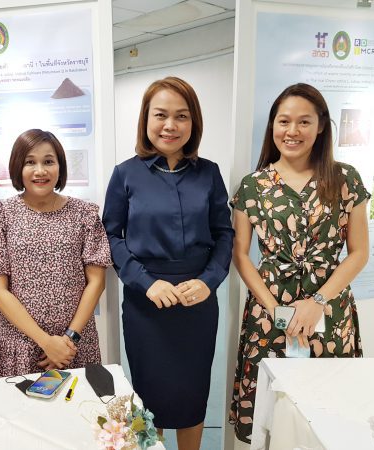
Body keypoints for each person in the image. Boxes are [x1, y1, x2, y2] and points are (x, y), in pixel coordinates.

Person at [229, 83, 370, 444]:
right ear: (272, 125)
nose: (292, 131)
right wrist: (276, 310)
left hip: (329, 311)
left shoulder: (345, 179)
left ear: (321, 126)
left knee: (330, 415)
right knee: (271, 417)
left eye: (304, 122)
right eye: (284, 121)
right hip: (268, 312)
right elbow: (240, 254)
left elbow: (358, 252)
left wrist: (317, 302)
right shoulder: (253, 185)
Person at [102, 77, 234, 450]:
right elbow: (111, 237)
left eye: (181, 116)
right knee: (149, 399)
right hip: (146, 304)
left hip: (197, 301)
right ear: (146, 119)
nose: (170, 125)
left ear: (194, 123)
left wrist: (208, 281)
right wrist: (146, 283)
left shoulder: (209, 173)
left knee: (193, 394)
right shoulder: (125, 174)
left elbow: (224, 234)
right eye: (161, 115)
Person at [0, 129, 112, 378]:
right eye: (30, 162)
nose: (40, 171)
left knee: (77, 402)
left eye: (48, 161)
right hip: (18, 343)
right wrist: (46, 342)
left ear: (60, 166)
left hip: (73, 345)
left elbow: (96, 282)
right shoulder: (0, 215)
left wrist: (69, 339)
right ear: (18, 166)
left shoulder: (84, 214)